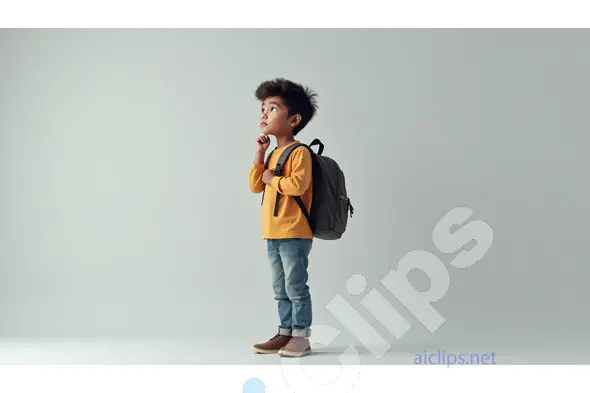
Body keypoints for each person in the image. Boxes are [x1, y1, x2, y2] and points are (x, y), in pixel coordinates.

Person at [248, 78, 319, 357]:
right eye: (263, 108)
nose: (264, 114)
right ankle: (284, 332)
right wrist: (259, 155)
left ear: (294, 119)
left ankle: (301, 336)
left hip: (294, 232)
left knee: (295, 285)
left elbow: (297, 185)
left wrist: (272, 179)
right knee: (280, 287)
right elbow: (255, 186)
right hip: (273, 233)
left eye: (273, 108)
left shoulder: (300, 152)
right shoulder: (273, 152)